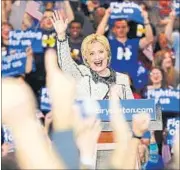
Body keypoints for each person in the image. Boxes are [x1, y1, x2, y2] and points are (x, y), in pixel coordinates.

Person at [51, 10, 133, 100]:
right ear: (86, 58)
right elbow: (66, 64)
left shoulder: (122, 79)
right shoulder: (81, 74)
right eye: (92, 53)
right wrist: (61, 35)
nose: (97, 57)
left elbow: (131, 110)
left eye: (101, 52)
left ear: (108, 54)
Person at [96, 8, 154, 89]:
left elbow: (149, 39)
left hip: (133, 81)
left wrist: (145, 19)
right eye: (118, 27)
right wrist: (106, 15)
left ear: (128, 28)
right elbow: (98, 37)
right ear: (114, 30)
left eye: (123, 27)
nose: (121, 29)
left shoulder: (134, 42)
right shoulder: (110, 43)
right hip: (113, 81)